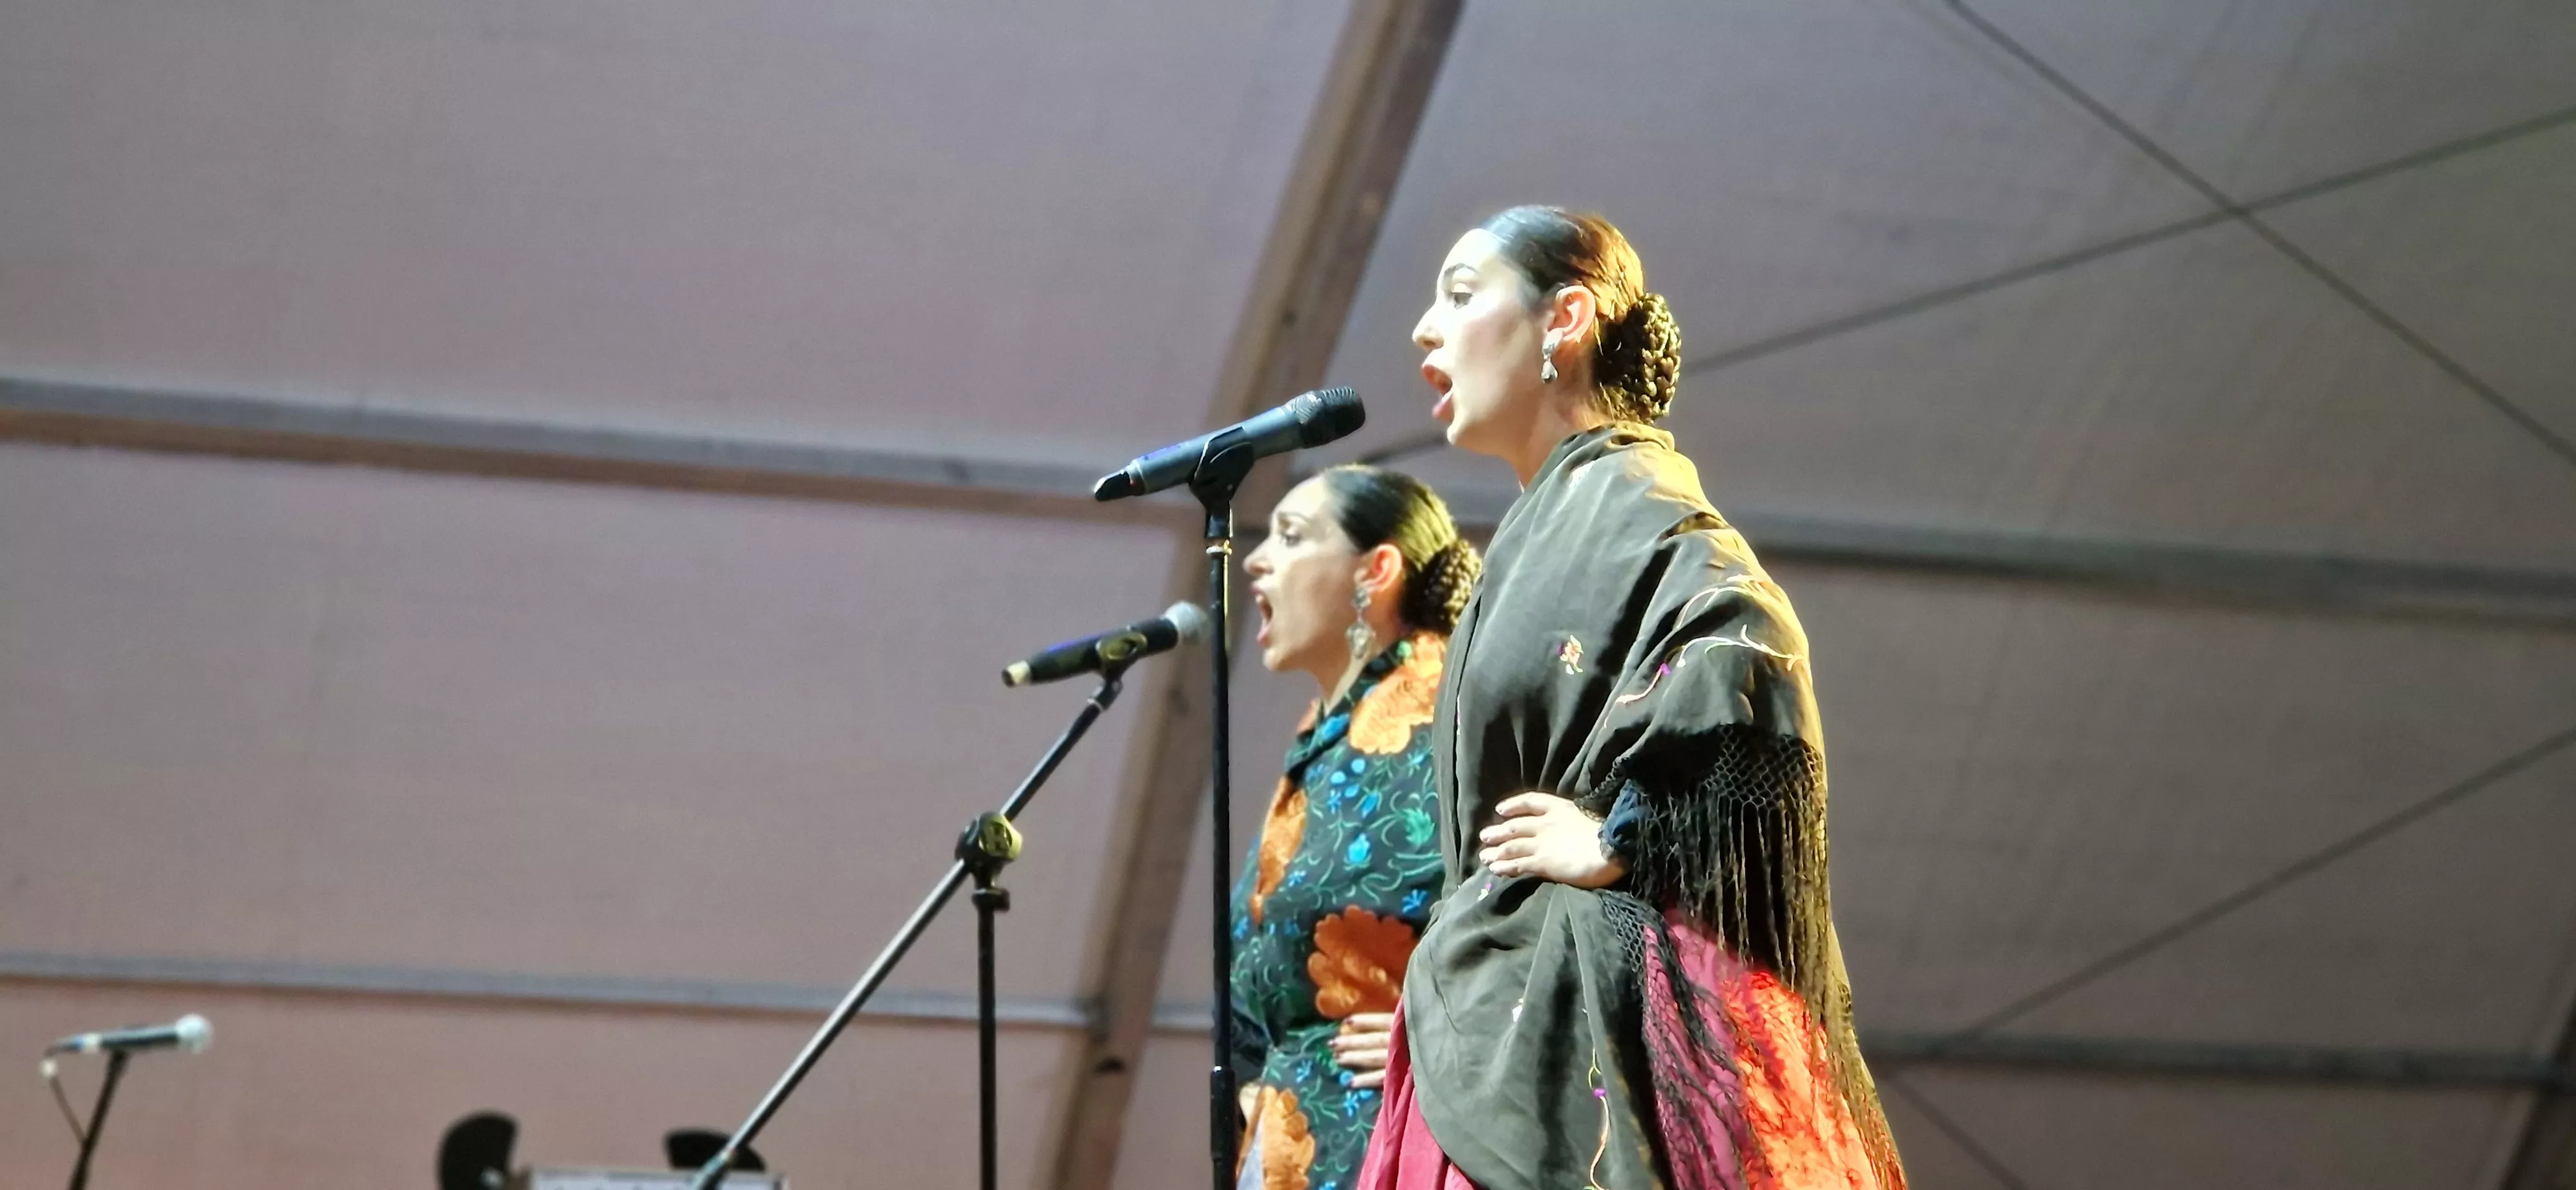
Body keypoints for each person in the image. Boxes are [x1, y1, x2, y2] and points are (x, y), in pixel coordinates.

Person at [1358, 207, 1906, 1190]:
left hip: (1588, 1034)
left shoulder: (1631, 503)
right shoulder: (1551, 518)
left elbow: (1751, 641)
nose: (1424, 330)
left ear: (1566, 318)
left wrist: (1624, 837)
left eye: (1461, 292)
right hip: (1505, 1015)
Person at [1231, 464, 1484, 1190]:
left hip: (1401, 1146)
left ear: (1376, 571)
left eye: (1291, 535)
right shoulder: (1329, 728)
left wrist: (1456, 1027)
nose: (1255, 556)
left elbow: (1554, 916)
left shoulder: (1456, 712)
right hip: (1297, 1144)